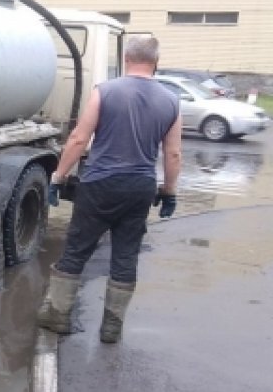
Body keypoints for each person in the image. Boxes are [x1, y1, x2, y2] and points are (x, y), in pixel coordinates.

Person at [37, 35, 183, 343]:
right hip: (140, 187)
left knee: (77, 249)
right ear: (156, 63)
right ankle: (111, 327)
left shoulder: (105, 91)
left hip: (100, 184)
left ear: (126, 60)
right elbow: (173, 154)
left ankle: (57, 316)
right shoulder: (172, 101)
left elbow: (78, 139)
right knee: (126, 255)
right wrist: (169, 192)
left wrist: (58, 178)